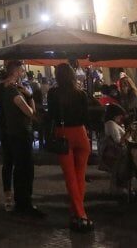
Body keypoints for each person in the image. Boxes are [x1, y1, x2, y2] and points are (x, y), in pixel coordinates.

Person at [48, 63, 92, 232]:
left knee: (70, 177)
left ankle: (80, 215)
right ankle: (77, 213)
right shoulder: (80, 93)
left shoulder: (54, 93)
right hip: (81, 134)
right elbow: (86, 117)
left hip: (63, 134)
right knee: (80, 176)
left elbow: (51, 115)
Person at [0, 61, 41, 216]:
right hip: (19, 132)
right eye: (21, 70)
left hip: (9, 130)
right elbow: (31, 112)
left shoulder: (5, 88)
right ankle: (22, 202)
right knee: (23, 168)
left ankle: (15, 199)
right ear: (15, 72)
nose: (23, 73)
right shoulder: (12, 91)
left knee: (15, 166)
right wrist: (30, 97)